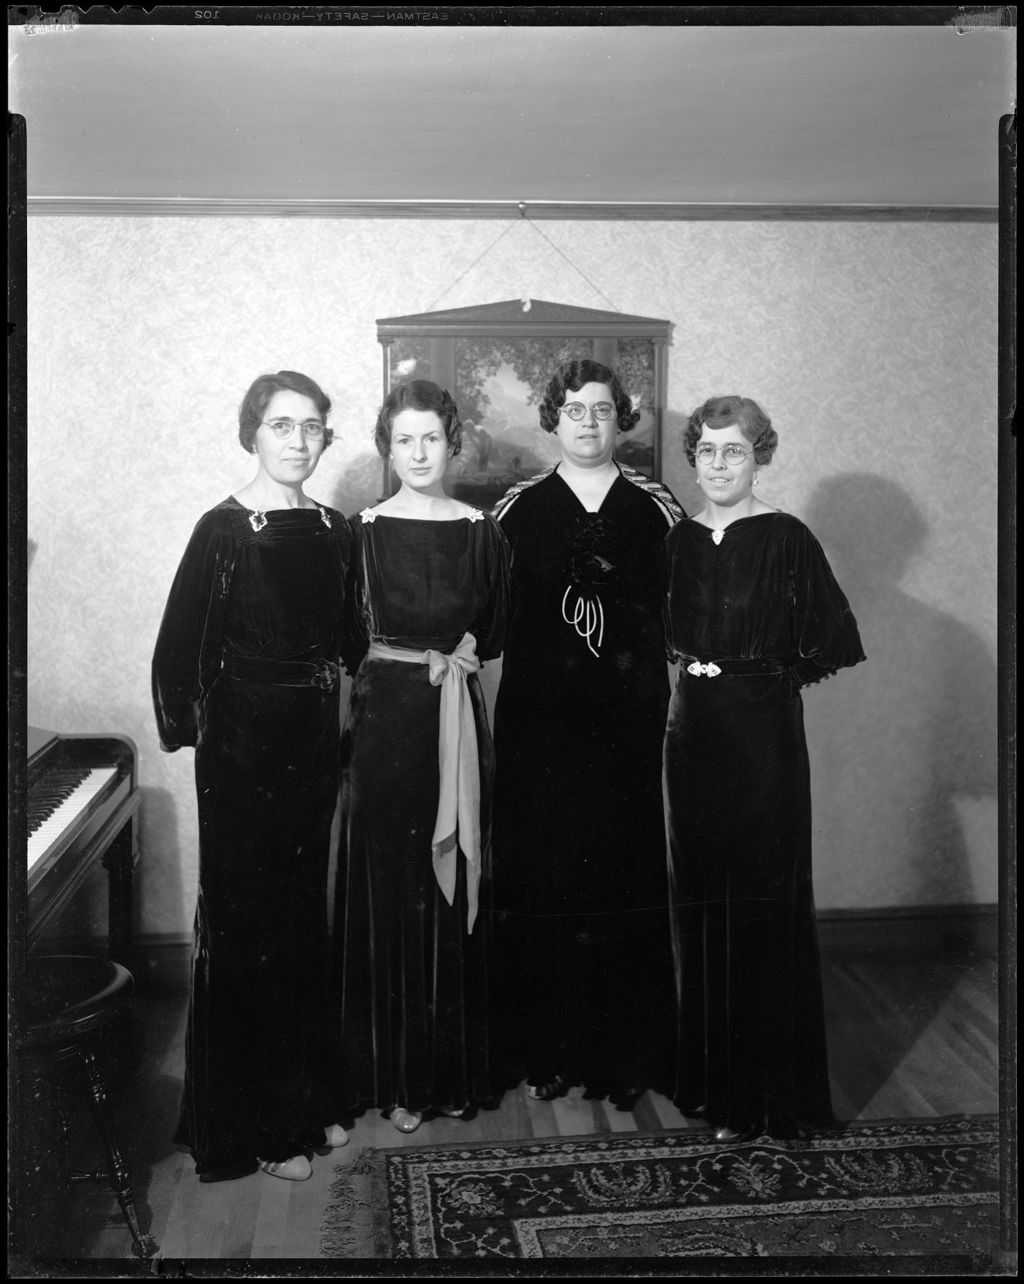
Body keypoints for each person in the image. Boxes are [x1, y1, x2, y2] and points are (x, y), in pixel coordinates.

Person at [152, 370, 353, 1183]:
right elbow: (176, 657)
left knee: (304, 926)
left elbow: (348, 639)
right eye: (281, 426)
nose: (298, 441)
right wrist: (215, 744)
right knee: (250, 936)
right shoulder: (223, 529)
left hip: (312, 749)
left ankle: (305, 1104)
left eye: (311, 427)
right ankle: (255, 1132)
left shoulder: (338, 528)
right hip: (242, 759)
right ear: (253, 434)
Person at [663, 395, 866, 1142]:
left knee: (763, 905)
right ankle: (719, 1092)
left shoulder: (786, 538)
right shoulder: (677, 541)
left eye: (735, 452)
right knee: (703, 904)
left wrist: (760, 683)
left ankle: (773, 1099)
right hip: (692, 739)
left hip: (763, 741)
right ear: (695, 457)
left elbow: (830, 641)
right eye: (708, 452)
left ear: (760, 456)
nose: (719, 465)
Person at [490, 358, 685, 1109]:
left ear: (621, 418)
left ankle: (625, 1054)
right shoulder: (517, 508)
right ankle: (545, 1049)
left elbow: (683, 609)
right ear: (553, 419)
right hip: (539, 727)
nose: (588, 422)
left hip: (625, 727)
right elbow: (488, 614)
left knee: (623, 877)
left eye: (602, 409)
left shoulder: (655, 505)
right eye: (573, 409)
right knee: (540, 878)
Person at [333, 379, 510, 1134]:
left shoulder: (482, 532)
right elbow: (347, 639)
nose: (417, 454)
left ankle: (443, 1074)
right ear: (387, 446)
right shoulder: (361, 532)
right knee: (393, 884)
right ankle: (392, 1076)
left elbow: (493, 634)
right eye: (403, 440)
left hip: (456, 721)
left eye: (430, 438)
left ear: (452, 441)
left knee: (454, 881)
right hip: (386, 726)